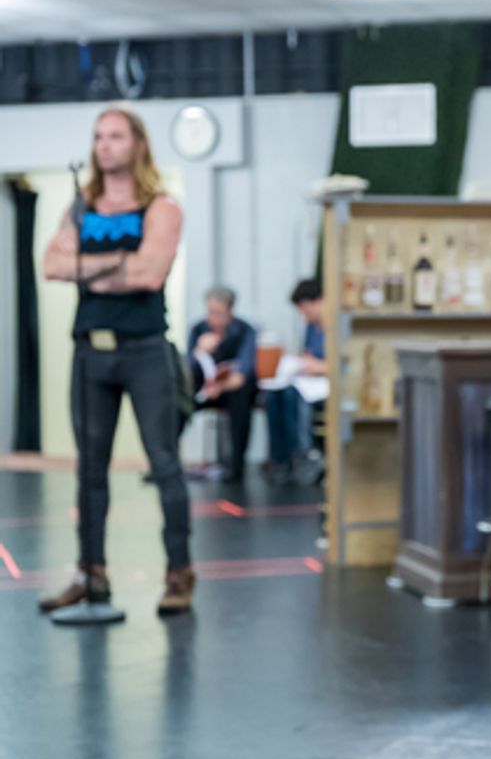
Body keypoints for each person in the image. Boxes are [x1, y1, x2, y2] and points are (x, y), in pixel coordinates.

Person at [38, 105, 196, 616]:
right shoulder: (82, 207)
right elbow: (51, 264)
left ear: (138, 144)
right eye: (99, 137)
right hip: (90, 354)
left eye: (116, 136)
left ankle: (179, 572)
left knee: (164, 463)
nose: (105, 145)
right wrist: (117, 262)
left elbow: (151, 275)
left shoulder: (161, 206)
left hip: (146, 352)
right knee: (90, 471)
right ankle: (92, 575)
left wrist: (87, 268)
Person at [188, 285, 257, 483]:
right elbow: (190, 370)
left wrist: (220, 386)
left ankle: (236, 466)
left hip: (231, 391)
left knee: (241, 400)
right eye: (210, 312)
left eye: (219, 312)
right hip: (203, 390)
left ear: (230, 311)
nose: (213, 317)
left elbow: (243, 373)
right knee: (176, 402)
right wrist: (200, 351)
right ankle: (167, 463)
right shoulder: (198, 329)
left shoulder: (245, 330)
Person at [263, 279, 327, 485]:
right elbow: (307, 354)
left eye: (305, 308)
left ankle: (303, 454)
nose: (304, 314)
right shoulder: (311, 327)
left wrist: (318, 366)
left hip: (326, 383)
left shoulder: (334, 327)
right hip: (309, 381)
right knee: (273, 395)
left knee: (292, 396)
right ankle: (280, 460)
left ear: (319, 301)